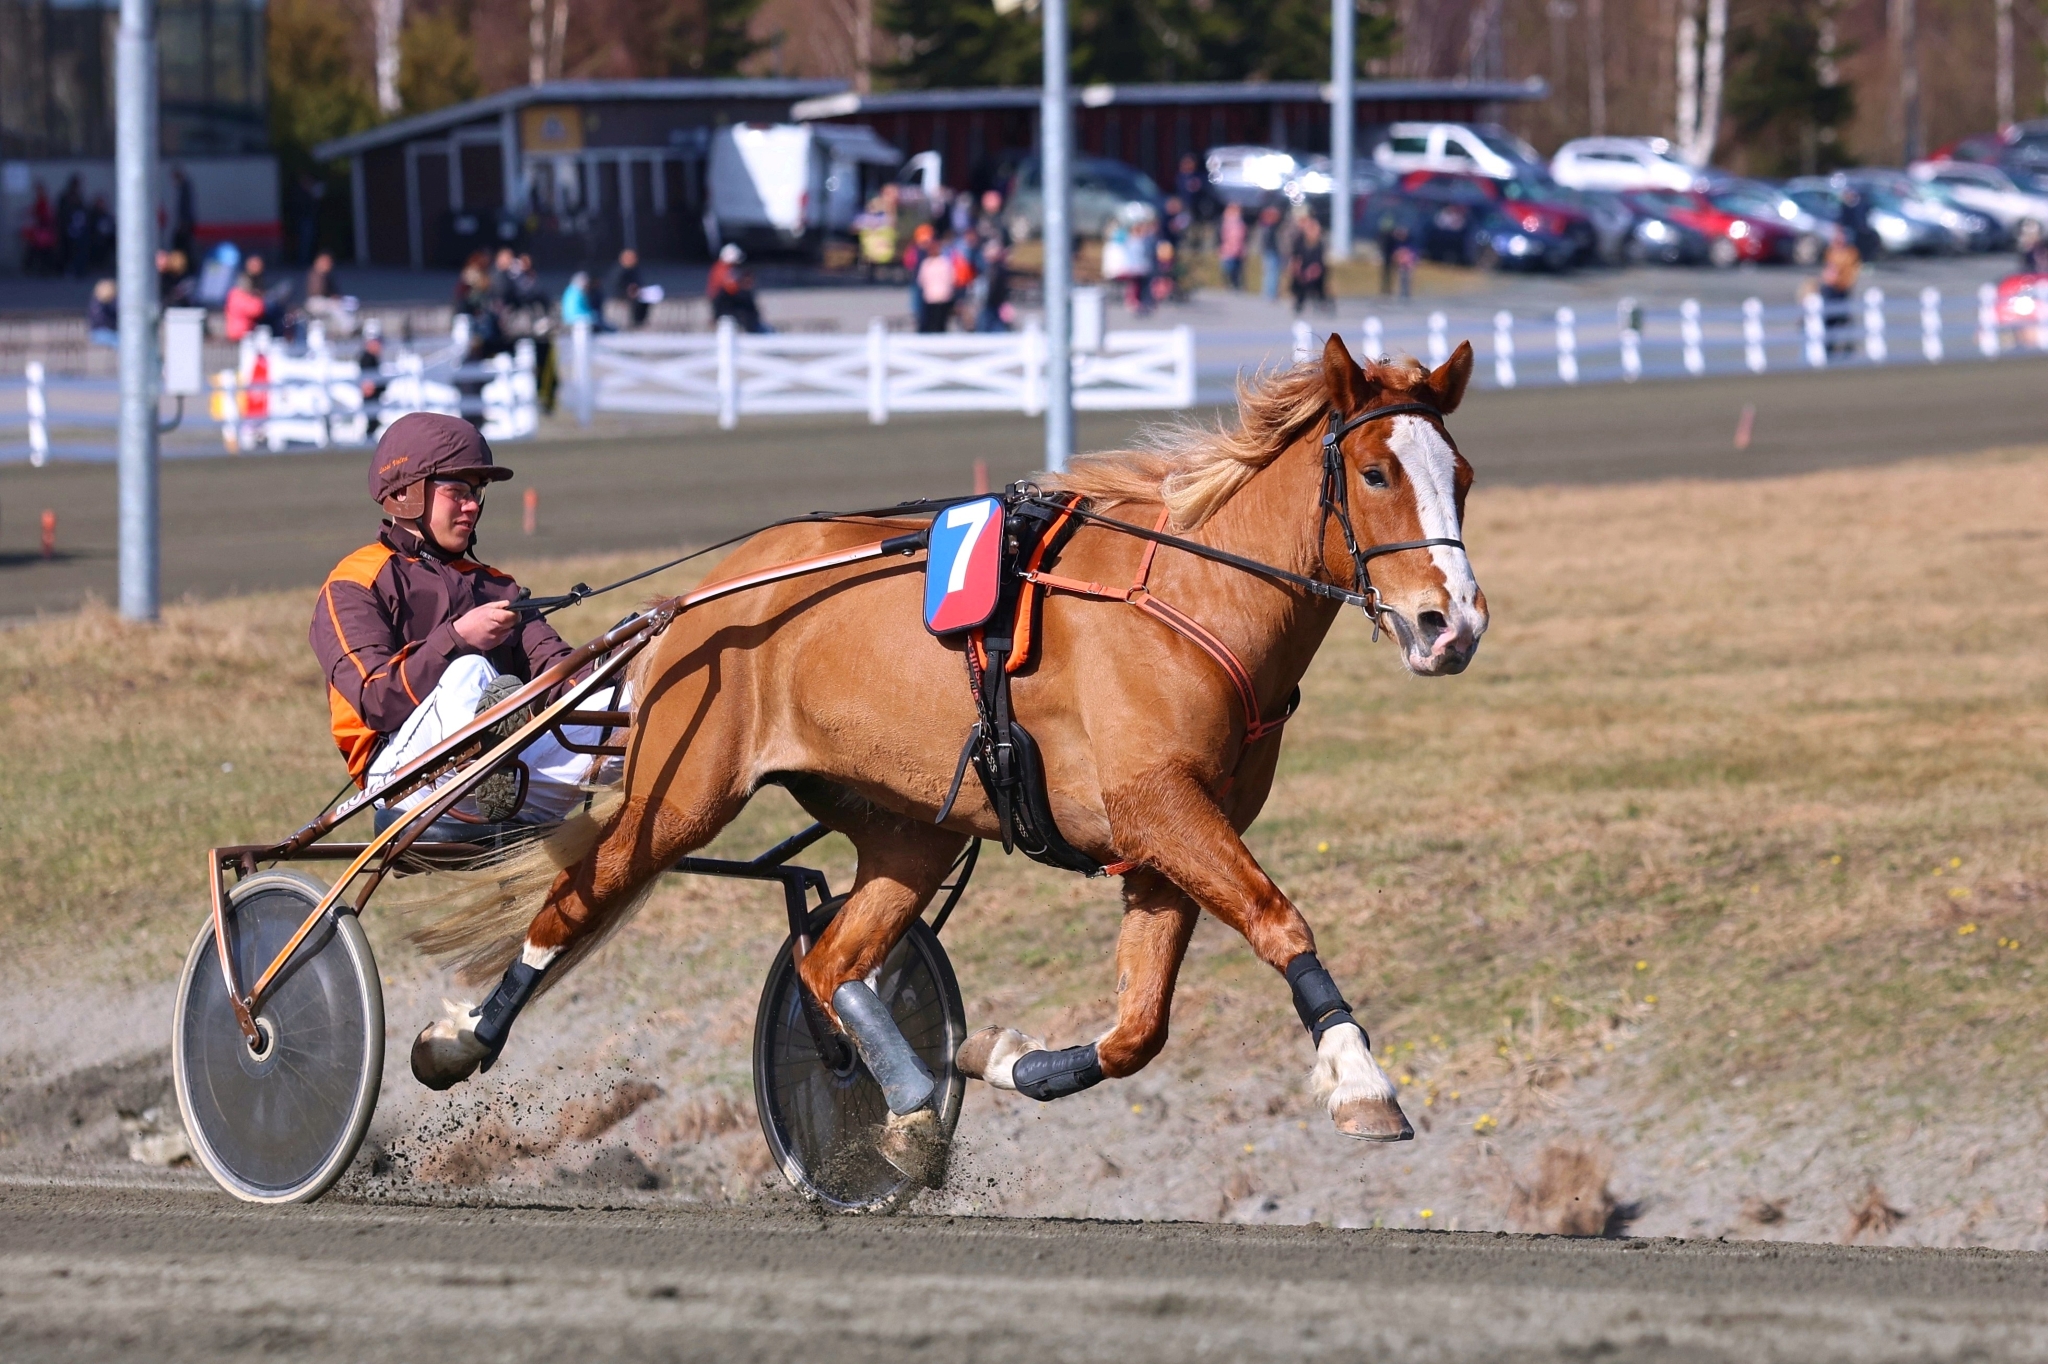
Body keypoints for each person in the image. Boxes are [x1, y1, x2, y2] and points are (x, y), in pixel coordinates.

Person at [310, 413, 615, 826]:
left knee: (626, 700)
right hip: (404, 782)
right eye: (457, 491)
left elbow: (557, 674)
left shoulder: (496, 586)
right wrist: (458, 639)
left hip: (513, 779)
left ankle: (494, 769)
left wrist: (618, 661)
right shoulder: (353, 582)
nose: (473, 506)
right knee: (471, 671)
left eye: (478, 492)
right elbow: (376, 702)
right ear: (406, 494)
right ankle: (486, 763)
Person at [1816, 226, 1860, 356]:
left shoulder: (1850, 253)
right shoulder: (1831, 251)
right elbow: (1827, 270)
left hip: (1842, 289)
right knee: (1829, 319)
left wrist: (1840, 279)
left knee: (1844, 319)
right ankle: (1828, 348)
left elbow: (1852, 273)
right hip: (1830, 289)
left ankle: (1847, 348)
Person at [707, 243, 765, 332]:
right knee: (746, 302)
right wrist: (743, 284)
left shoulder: (727, 268)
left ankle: (755, 327)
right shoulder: (722, 269)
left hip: (727, 302)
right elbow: (730, 288)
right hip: (723, 305)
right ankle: (753, 329)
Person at [916, 231, 958, 332]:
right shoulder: (931, 262)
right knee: (934, 324)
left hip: (940, 298)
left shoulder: (942, 262)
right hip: (934, 297)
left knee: (939, 324)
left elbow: (921, 281)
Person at [1289, 214, 1330, 315]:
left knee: (1318, 284)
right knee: (1300, 283)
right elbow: (1296, 257)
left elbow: (1319, 260)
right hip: (1303, 268)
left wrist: (1312, 271)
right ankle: (1299, 304)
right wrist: (1297, 269)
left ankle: (1322, 304)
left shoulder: (1319, 243)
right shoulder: (1299, 241)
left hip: (1316, 269)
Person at [609, 248, 649, 328]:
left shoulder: (634, 270)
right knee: (636, 302)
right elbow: (616, 285)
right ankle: (635, 322)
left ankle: (640, 321)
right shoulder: (619, 271)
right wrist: (628, 291)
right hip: (621, 294)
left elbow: (638, 282)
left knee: (645, 299)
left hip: (634, 293)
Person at [1256, 202, 1285, 303]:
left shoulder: (1277, 227)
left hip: (1275, 252)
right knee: (1269, 273)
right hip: (1269, 252)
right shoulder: (1266, 227)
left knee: (1272, 273)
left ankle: (1271, 293)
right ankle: (1268, 293)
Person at [1218, 202, 1247, 291]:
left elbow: (1244, 237)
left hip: (1238, 250)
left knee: (1236, 270)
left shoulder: (1241, 224)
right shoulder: (1226, 223)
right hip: (1228, 249)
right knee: (1228, 269)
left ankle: (1236, 285)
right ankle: (1228, 285)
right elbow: (1221, 237)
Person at [88, 278, 118, 347]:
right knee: (121, 342)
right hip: (101, 332)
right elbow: (102, 320)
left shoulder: (113, 303)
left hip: (108, 331)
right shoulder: (99, 306)